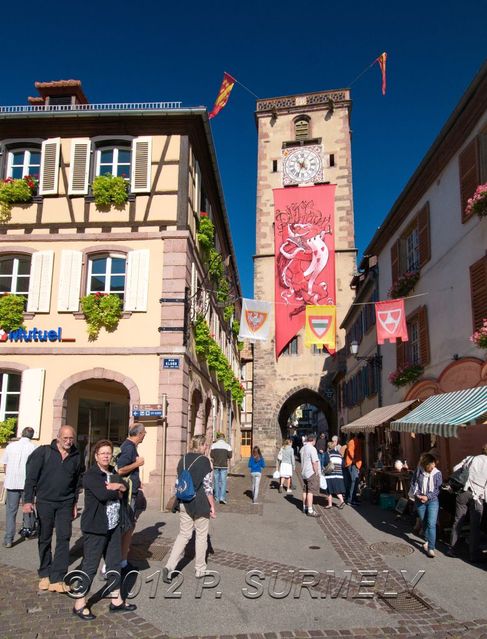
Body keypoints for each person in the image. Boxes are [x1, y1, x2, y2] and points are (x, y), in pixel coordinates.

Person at [72, 440, 136, 621]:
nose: (106, 456)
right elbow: (102, 494)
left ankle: (116, 600)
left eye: (109, 453)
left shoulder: (112, 472)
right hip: (96, 527)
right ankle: (79, 603)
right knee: (90, 565)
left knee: (114, 563)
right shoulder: (91, 475)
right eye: (103, 453)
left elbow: (125, 486)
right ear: (96, 456)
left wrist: (119, 486)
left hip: (113, 525)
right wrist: (118, 489)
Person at [23, 425, 83, 592]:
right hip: (45, 502)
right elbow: (31, 478)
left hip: (65, 503)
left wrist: (74, 502)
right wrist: (27, 500)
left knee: (64, 537)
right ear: (58, 437)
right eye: (65, 438)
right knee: (45, 537)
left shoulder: (77, 456)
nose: (68, 441)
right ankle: (44, 573)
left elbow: (77, 481)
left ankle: (58, 577)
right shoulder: (43, 452)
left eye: (71, 438)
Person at [163, 436, 216, 582]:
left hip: (184, 501)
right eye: (206, 445)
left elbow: (178, 482)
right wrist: (212, 505)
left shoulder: (183, 460)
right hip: (200, 502)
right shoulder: (205, 461)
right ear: (202, 445)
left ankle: (169, 566)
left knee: (184, 534)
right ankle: (200, 569)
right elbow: (207, 486)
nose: (206, 448)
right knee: (201, 536)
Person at [117, 423, 146, 571]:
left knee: (129, 526)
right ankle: (119, 562)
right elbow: (120, 469)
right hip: (128, 495)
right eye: (144, 433)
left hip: (131, 491)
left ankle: (122, 560)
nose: (145, 435)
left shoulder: (130, 446)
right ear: (139, 434)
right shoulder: (128, 447)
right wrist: (137, 463)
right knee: (127, 526)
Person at [3, 427, 36, 548]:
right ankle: (27, 532)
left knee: (11, 512)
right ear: (32, 436)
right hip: (26, 483)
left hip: (12, 482)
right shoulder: (33, 448)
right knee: (27, 509)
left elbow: (5, 465)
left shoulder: (10, 446)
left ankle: (8, 539)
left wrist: (10, 475)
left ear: (21, 434)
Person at [409, 453, 443, 558]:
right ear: (425, 465)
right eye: (431, 465)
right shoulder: (419, 470)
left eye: (434, 464)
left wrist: (427, 497)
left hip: (432, 501)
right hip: (420, 500)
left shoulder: (437, 473)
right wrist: (418, 495)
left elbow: (437, 489)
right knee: (424, 522)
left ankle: (431, 548)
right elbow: (414, 482)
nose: (433, 467)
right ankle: (428, 540)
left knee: (431, 523)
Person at [447, 453, 475, 557]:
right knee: (475, 524)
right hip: (477, 494)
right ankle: (473, 552)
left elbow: (455, 468)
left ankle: (452, 549)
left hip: (462, 492)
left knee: (458, 520)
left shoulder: (470, 458)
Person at [464, 444, 487, 562]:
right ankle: (474, 554)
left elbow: (456, 468)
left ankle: (470, 551)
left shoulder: (473, 458)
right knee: (476, 525)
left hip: (467, 492)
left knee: (471, 524)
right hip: (479, 497)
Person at [300, 434, 320, 517]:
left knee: (305, 490)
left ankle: (305, 507)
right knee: (310, 491)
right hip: (310, 472)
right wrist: (317, 472)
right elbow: (314, 462)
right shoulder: (312, 449)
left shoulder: (302, 448)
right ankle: (310, 510)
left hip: (304, 472)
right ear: (313, 440)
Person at [210, 432, 232, 504]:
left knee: (216, 481)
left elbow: (211, 455)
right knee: (223, 482)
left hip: (216, 465)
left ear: (218, 438)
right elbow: (230, 456)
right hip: (224, 465)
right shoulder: (228, 446)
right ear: (224, 438)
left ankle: (216, 497)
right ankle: (222, 497)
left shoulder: (213, 445)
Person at [322, 441, 346, 509]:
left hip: (330, 475)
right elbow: (343, 464)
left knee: (329, 490)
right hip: (339, 475)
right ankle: (342, 501)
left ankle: (330, 504)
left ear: (328, 447)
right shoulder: (339, 454)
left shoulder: (328, 453)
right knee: (337, 489)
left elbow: (325, 463)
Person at [343, 432, 364, 505]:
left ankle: (353, 498)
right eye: (362, 441)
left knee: (355, 482)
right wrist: (354, 460)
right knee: (353, 481)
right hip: (352, 464)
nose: (362, 443)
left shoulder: (356, 441)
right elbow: (350, 451)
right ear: (360, 438)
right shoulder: (353, 442)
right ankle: (350, 499)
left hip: (354, 464)